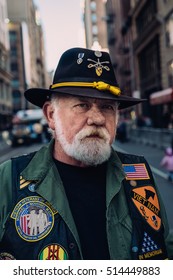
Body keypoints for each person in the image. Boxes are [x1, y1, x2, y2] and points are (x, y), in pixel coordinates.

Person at [0, 47, 172, 260]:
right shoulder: (9, 178)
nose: (98, 118)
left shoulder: (139, 173)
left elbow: (166, 246)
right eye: (82, 105)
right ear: (51, 115)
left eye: (108, 107)